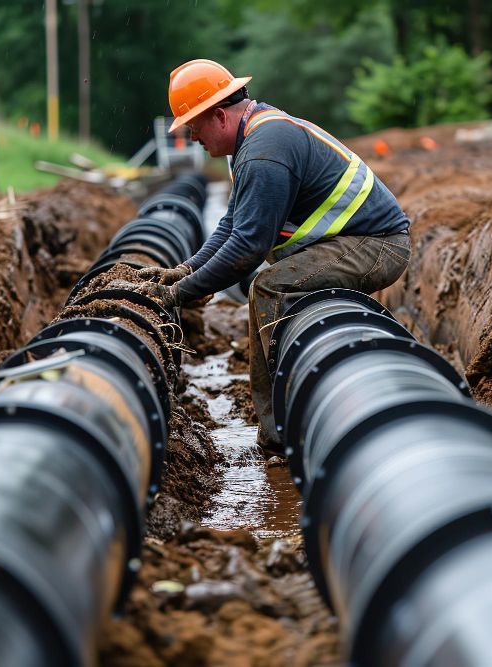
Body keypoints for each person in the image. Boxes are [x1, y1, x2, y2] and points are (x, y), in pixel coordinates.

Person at [139, 58, 411, 455]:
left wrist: (178, 294)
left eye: (194, 128)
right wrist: (187, 270)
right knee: (270, 285)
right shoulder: (255, 137)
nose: (194, 139)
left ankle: (280, 434)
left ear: (218, 116)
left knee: (269, 287)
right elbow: (233, 224)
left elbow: (247, 247)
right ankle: (275, 428)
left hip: (378, 245)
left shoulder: (264, 151)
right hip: (359, 240)